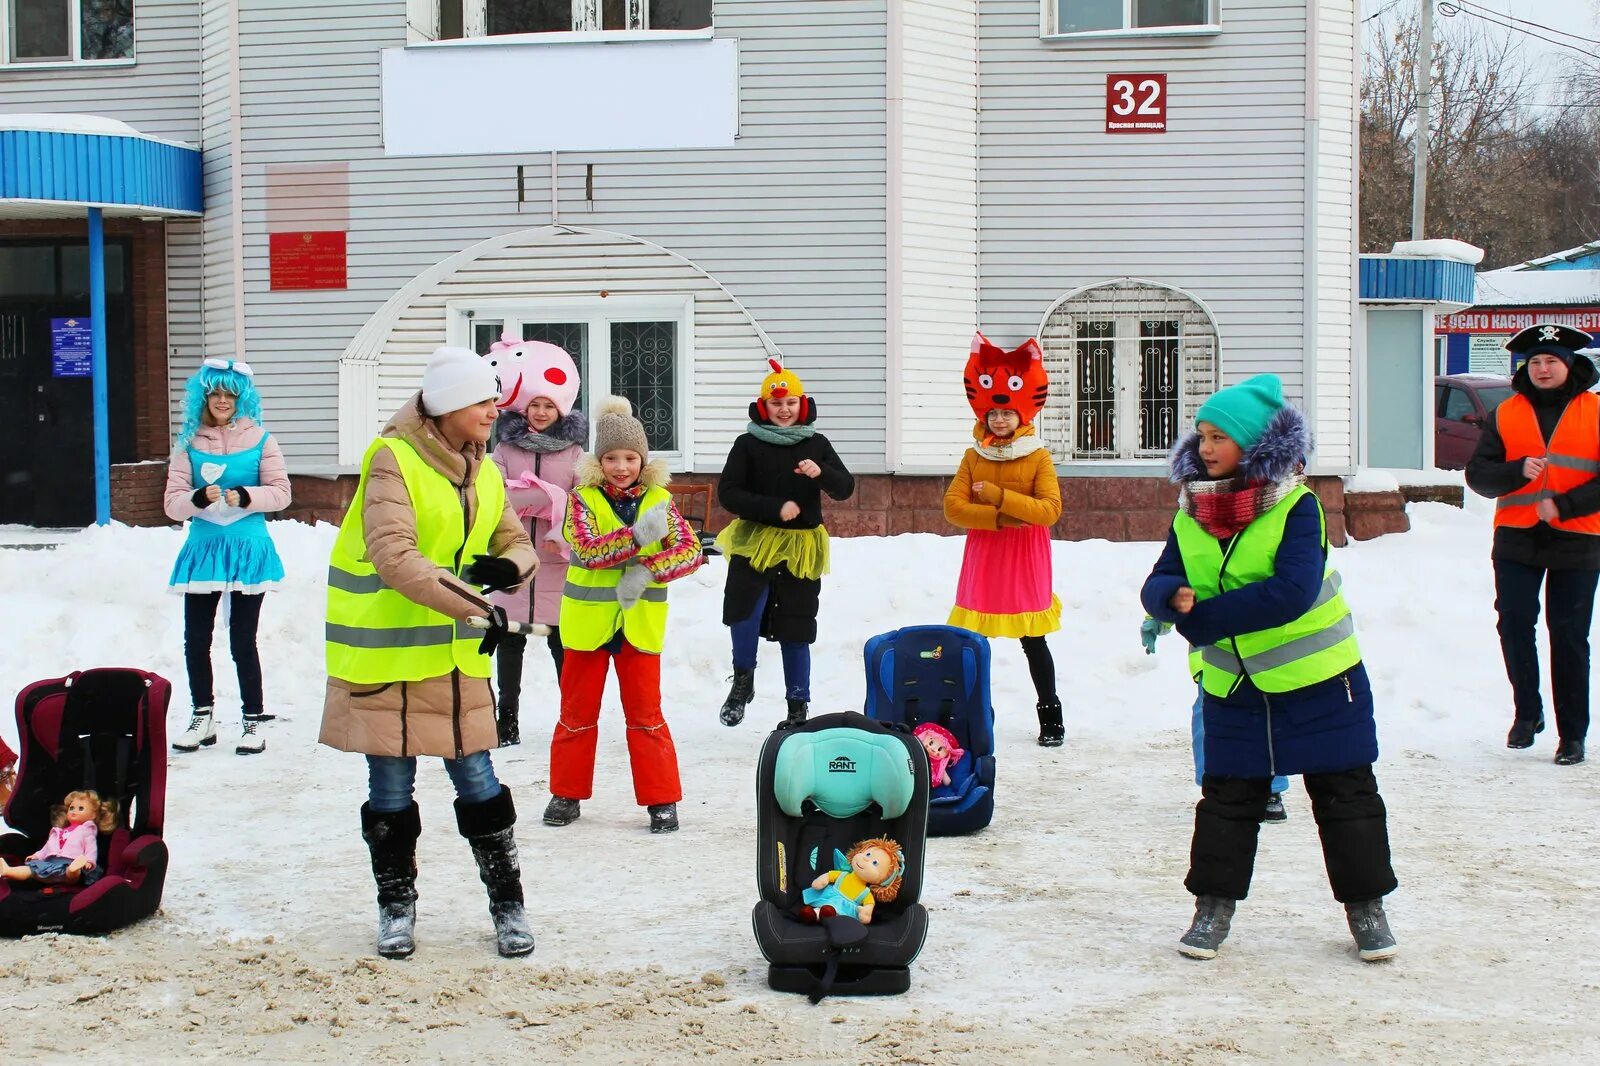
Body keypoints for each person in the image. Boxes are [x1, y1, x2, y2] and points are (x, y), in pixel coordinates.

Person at [1140, 373, 1398, 962]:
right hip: (1234, 683)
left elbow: (1292, 592)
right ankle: (1212, 908)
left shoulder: (1296, 506)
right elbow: (1161, 577)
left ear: (1254, 446)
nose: (1205, 447)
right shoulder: (1192, 509)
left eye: (1219, 437)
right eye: (1201, 436)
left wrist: (1200, 619)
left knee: (1345, 795)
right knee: (1227, 799)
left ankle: (1367, 909)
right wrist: (1167, 598)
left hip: (1321, 680)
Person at [319, 346, 539, 960]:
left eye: (495, 399)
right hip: (387, 656)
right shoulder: (392, 460)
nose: (496, 410)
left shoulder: (484, 469)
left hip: (452, 655)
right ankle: (396, 908)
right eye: (483, 399)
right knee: (390, 789)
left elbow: (517, 542)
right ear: (446, 406)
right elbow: (394, 555)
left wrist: (510, 566)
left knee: (480, 783)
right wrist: (478, 604)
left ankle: (508, 906)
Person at [544, 396, 705, 833]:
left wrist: (650, 568)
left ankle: (662, 800)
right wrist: (641, 537)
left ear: (643, 460)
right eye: (611, 457)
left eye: (630, 458)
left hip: (639, 626)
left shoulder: (660, 500)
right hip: (587, 626)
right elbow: (588, 550)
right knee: (576, 714)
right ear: (599, 460)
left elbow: (689, 552)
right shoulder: (581, 500)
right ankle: (566, 793)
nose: (620, 466)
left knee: (646, 715)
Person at [1466, 323, 1599, 766]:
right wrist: (1514, 471)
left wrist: (1564, 505)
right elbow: (1478, 476)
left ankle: (1572, 734)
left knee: (1568, 635)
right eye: (1535, 361)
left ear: (1570, 365)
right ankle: (1528, 713)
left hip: (1579, 537)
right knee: (1515, 622)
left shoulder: (1594, 411)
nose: (1542, 369)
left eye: (1551, 361)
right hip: (1517, 534)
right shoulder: (1506, 413)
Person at [715, 357, 854, 727]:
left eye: (790, 402)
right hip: (755, 541)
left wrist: (821, 472)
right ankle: (742, 683)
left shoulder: (817, 443)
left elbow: (845, 488)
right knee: (743, 614)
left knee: (797, 625)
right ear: (764, 407)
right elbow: (728, 494)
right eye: (776, 403)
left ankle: (798, 706)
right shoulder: (747, 444)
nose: (784, 409)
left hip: (801, 546)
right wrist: (774, 507)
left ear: (801, 405)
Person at [163, 358, 290, 756]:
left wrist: (248, 496)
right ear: (204, 397)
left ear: (242, 399)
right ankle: (203, 716)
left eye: (230, 395)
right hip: (204, 551)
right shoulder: (189, 443)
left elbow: (282, 492)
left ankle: (252, 721)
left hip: (249, 549)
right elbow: (171, 503)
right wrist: (196, 498)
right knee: (196, 639)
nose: (222, 401)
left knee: (242, 638)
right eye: (215, 393)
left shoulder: (262, 440)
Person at [943, 333, 1065, 746]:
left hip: (1026, 555)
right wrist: (997, 516)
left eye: (1007, 413)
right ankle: (970, 716)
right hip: (986, 550)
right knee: (972, 642)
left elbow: (1049, 510)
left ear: (1022, 414)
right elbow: (953, 508)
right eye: (994, 413)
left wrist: (998, 495)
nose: (999, 420)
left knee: (1033, 640)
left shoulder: (1038, 456)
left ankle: (1051, 715)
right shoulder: (973, 456)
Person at [486, 335, 588, 747]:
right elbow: (495, 492)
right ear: (522, 408)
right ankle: (506, 718)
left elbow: (581, 503)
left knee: (562, 643)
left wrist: (546, 504)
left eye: (549, 405)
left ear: (560, 409)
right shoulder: (505, 446)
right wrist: (545, 497)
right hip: (514, 555)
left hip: (555, 555)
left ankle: (573, 718)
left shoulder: (576, 451)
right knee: (510, 642)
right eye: (534, 405)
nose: (541, 412)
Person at [1141, 617, 1290, 820]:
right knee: (1210, 717)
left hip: (1263, 647)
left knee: (1267, 714)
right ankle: (1217, 785)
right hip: (1213, 653)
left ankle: (1271, 789)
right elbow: (1182, 588)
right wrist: (1160, 617)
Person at [0, 790, 116, 886]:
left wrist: (89, 861)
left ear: (93, 815)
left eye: (81, 808)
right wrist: (36, 856)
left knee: (71, 872)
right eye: (72, 808)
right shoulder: (58, 832)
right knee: (31, 870)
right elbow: (46, 848)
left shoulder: (87, 832)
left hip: (69, 862)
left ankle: (73, 870)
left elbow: (91, 849)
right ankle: (7, 870)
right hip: (51, 862)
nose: (74, 811)